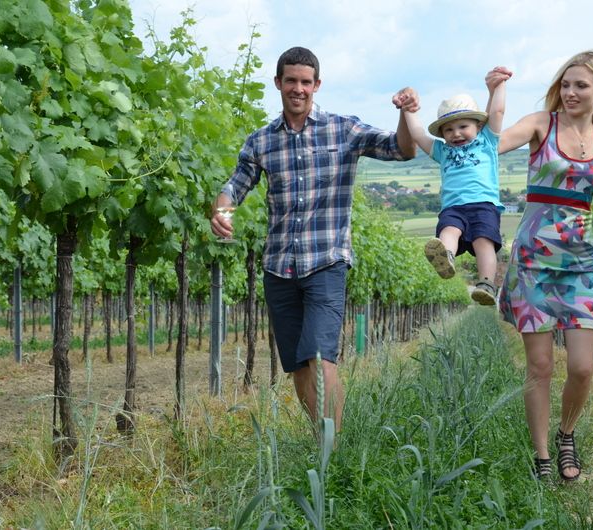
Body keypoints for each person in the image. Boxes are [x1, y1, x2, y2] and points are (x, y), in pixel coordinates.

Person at [211, 46, 419, 435]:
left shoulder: (344, 129)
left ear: (317, 85)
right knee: (298, 366)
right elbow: (235, 186)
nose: (298, 89)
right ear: (278, 83)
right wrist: (222, 210)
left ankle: (333, 454)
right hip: (279, 267)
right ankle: (321, 440)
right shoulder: (260, 141)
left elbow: (402, 149)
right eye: (291, 80)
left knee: (321, 359)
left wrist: (406, 113)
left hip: (327, 262)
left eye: (306, 82)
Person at [491, 51, 593, 481]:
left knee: (583, 367)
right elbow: (493, 143)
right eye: (565, 84)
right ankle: (544, 457)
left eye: (580, 85)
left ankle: (568, 434)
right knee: (541, 366)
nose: (570, 92)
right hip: (532, 260)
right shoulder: (541, 124)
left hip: (581, 262)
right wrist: (496, 95)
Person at [395, 68, 511, 305]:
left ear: (478, 126)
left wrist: (499, 85)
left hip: (483, 205)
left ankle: (487, 283)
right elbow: (417, 134)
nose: (456, 133)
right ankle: (445, 257)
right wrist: (408, 110)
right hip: (453, 207)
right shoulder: (442, 151)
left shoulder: (487, 141)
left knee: (483, 242)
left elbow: (497, 110)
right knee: (448, 231)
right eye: (448, 129)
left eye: (463, 127)